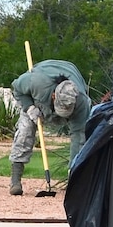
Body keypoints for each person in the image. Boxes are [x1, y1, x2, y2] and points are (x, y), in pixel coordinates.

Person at [9, 59, 91, 195]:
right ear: (53, 96)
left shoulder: (81, 103)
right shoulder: (36, 82)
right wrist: (29, 107)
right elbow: (17, 88)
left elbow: (79, 137)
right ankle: (15, 180)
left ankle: (75, 181)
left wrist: (73, 172)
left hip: (69, 74)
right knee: (25, 132)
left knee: (81, 139)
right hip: (34, 102)